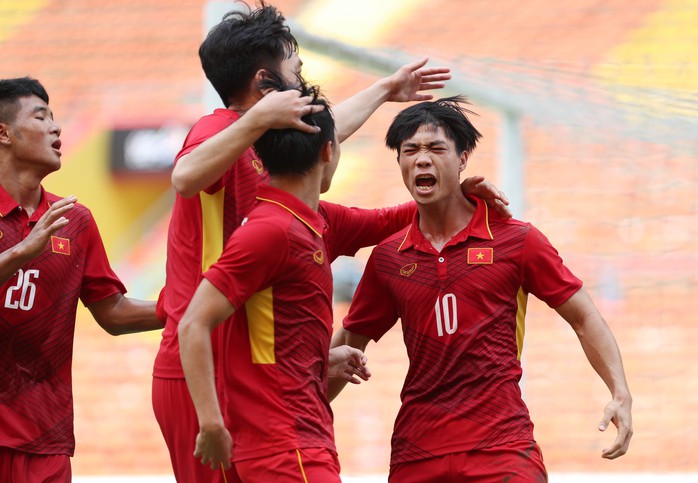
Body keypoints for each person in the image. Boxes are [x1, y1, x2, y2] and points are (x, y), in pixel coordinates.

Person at [152, 2, 510, 481]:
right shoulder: (221, 131)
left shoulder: (283, 182)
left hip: (243, 366)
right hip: (202, 365)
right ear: (266, 83)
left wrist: (387, 93)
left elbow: (322, 136)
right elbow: (184, 177)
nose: (302, 83)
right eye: (295, 73)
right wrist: (259, 120)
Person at [330, 96, 633, 482]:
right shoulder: (388, 257)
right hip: (417, 453)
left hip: (503, 449)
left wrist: (619, 392)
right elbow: (348, 344)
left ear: (462, 159)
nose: (422, 159)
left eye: (436, 148)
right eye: (410, 151)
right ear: (400, 163)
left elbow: (584, 316)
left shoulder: (516, 239)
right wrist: (297, 416)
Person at [179, 80, 409, 482]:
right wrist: (211, 423)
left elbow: (387, 221)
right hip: (286, 446)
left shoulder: (310, 218)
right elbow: (192, 323)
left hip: (296, 437)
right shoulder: (270, 231)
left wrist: (459, 196)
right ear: (328, 150)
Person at [0, 77, 163, 482]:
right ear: (3, 132)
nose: (57, 128)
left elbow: (113, 312)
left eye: (56, 117)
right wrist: (21, 253)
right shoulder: (39, 236)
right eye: (41, 117)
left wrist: (191, 306)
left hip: (45, 438)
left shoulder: (75, 221)